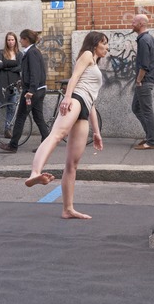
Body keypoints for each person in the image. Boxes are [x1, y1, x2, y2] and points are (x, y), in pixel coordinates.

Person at [24, 31, 108, 219]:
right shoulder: (87, 55)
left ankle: (67, 209)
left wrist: (97, 132)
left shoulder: (95, 64)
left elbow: (92, 102)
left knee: (72, 163)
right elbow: (74, 78)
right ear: (95, 43)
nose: (107, 47)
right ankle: (35, 173)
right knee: (57, 135)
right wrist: (67, 97)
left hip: (85, 107)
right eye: (104, 43)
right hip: (75, 99)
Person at [0, 29, 49, 153]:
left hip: (32, 92)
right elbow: (31, 72)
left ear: (26, 39)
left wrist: (31, 90)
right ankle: (47, 145)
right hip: (38, 90)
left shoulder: (31, 53)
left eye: (21, 38)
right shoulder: (33, 52)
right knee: (38, 118)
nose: (19, 41)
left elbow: (35, 73)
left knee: (20, 117)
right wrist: (23, 81)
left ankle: (13, 145)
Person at [131, 14, 154, 150]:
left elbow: (144, 65)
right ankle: (149, 136)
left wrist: (139, 80)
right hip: (145, 80)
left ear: (141, 23)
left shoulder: (144, 40)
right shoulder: (149, 38)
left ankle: (151, 141)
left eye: (134, 21)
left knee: (146, 111)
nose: (132, 23)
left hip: (144, 81)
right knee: (136, 108)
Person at [0, 32, 23, 138]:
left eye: (12, 40)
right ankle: (5, 127)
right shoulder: (1, 52)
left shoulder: (19, 54)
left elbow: (21, 67)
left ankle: (8, 129)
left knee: (12, 107)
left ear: (15, 41)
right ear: (6, 41)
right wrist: (13, 64)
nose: (10, 42)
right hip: (3, 83)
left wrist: (5, 65)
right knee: (2, 105)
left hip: (15, 83)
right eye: (8, 40)